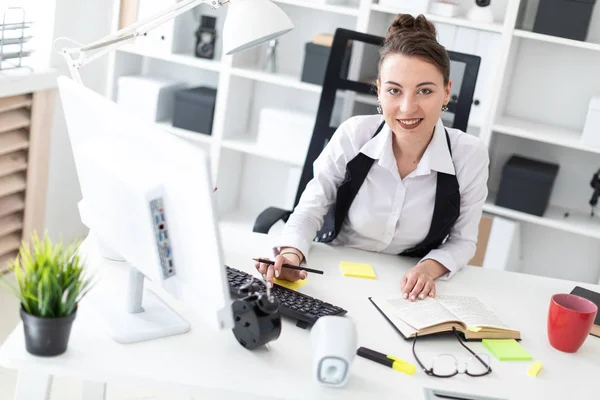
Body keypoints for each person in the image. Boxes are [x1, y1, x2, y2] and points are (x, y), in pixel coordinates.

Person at [255, 13, 489, 302]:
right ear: (379, 92)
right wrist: (291, 253)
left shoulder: (469, 155)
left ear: (446, 92)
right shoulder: (354, 135)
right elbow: (309, 210)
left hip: (405, 288)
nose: (407, 107)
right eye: (394, 90)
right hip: (334, 271)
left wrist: (428, 269)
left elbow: (463, 241)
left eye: (424, 91)